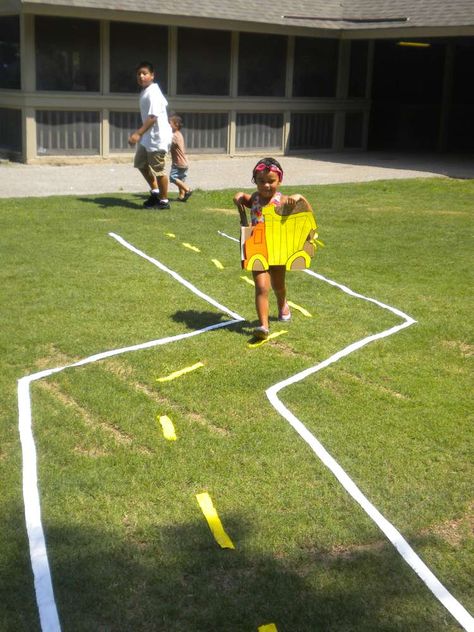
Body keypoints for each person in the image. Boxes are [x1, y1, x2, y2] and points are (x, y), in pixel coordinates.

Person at [233, 157, 311, 340]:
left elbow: (306, 211)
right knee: (261, 287)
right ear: (255, 181)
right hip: (257, 247)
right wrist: (238, 196)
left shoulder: (283, 201)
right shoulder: (255, 198)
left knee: (278, 284)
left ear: (280, 180)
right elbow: (242, 197)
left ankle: (282, 302)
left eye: (271, 181)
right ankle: (263, 325)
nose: (266, 185)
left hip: (278, 249)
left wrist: (299, 197)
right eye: (261, 181)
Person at [128, 61, 172, 210]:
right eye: (139, 74)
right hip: (148, 137)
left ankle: (164, 202)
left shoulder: (154, 92)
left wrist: (137, 134)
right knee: (140, 163)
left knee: (159, 171)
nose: (141, 76)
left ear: (152, 75)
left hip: (157, 138)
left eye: (144, 73)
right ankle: (155, 192)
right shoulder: (146, 91)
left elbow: (153, 117)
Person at [169, 114, 193, 202]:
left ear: (176, 125)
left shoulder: (174, 136)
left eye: (169, 123)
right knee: (181, 180)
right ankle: (181, 196)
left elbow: (168, 143)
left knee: (173, 178)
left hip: (178, 162)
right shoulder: (179, 134)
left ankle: (187, 189)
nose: (168, 125)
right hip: (184, 162)